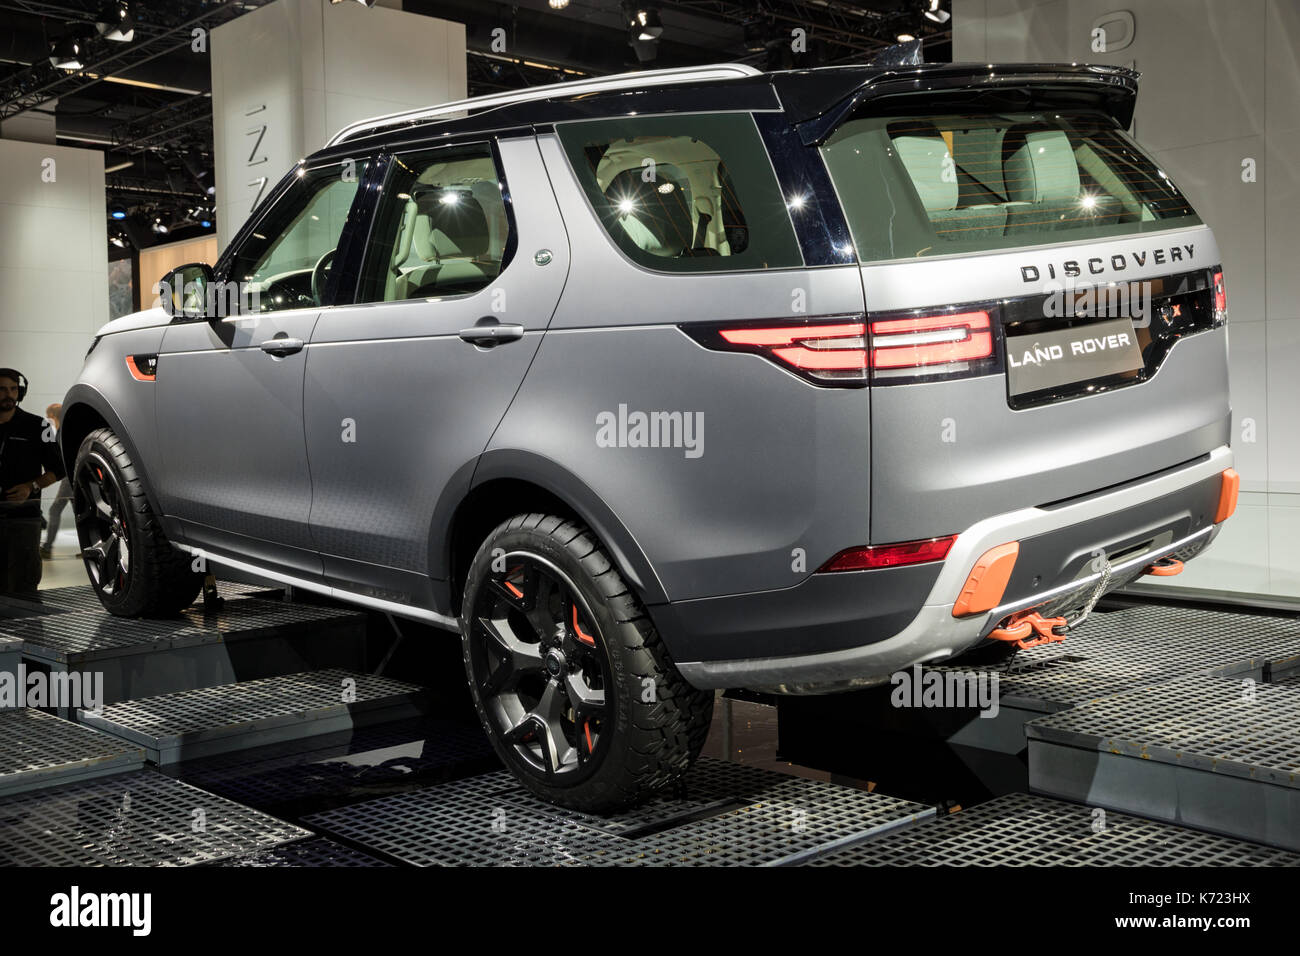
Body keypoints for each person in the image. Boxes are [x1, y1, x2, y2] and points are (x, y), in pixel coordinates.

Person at [0, 369, 66, 597]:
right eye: (2, 389)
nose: (8, 394)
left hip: (24, 519)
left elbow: (58, 470)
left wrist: (31, 487)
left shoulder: (39, 425)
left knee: (23, 588)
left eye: (13, 389)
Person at [41, 403, 72, 560]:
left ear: (53, 416)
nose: (47, 419)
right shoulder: (63, 431)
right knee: (82, 512)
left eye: (48, 416)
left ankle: (47, 547)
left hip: (69, 479)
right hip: (72, 478)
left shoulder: (61, 432)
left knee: (54, 510)